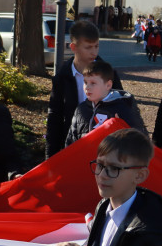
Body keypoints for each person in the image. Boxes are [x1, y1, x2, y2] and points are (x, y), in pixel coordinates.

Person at [46, 20, 123, 157]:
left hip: (105, 147)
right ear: (73, 47)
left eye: (96, 46)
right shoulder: (62, 77)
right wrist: (50, 157)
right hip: (73, 146)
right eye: (88, 47)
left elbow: (122, 108)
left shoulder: (109, 73)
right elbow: (55, 118)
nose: (94, 52)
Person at [65, 60, 146, 147]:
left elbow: (140, 144)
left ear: (108, 85)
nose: (87, 87)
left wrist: (122, 129)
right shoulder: (81, 109)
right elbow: (71, 143)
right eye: (85, 82)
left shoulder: (123, 109)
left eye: (93, 83)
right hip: (84, 160)